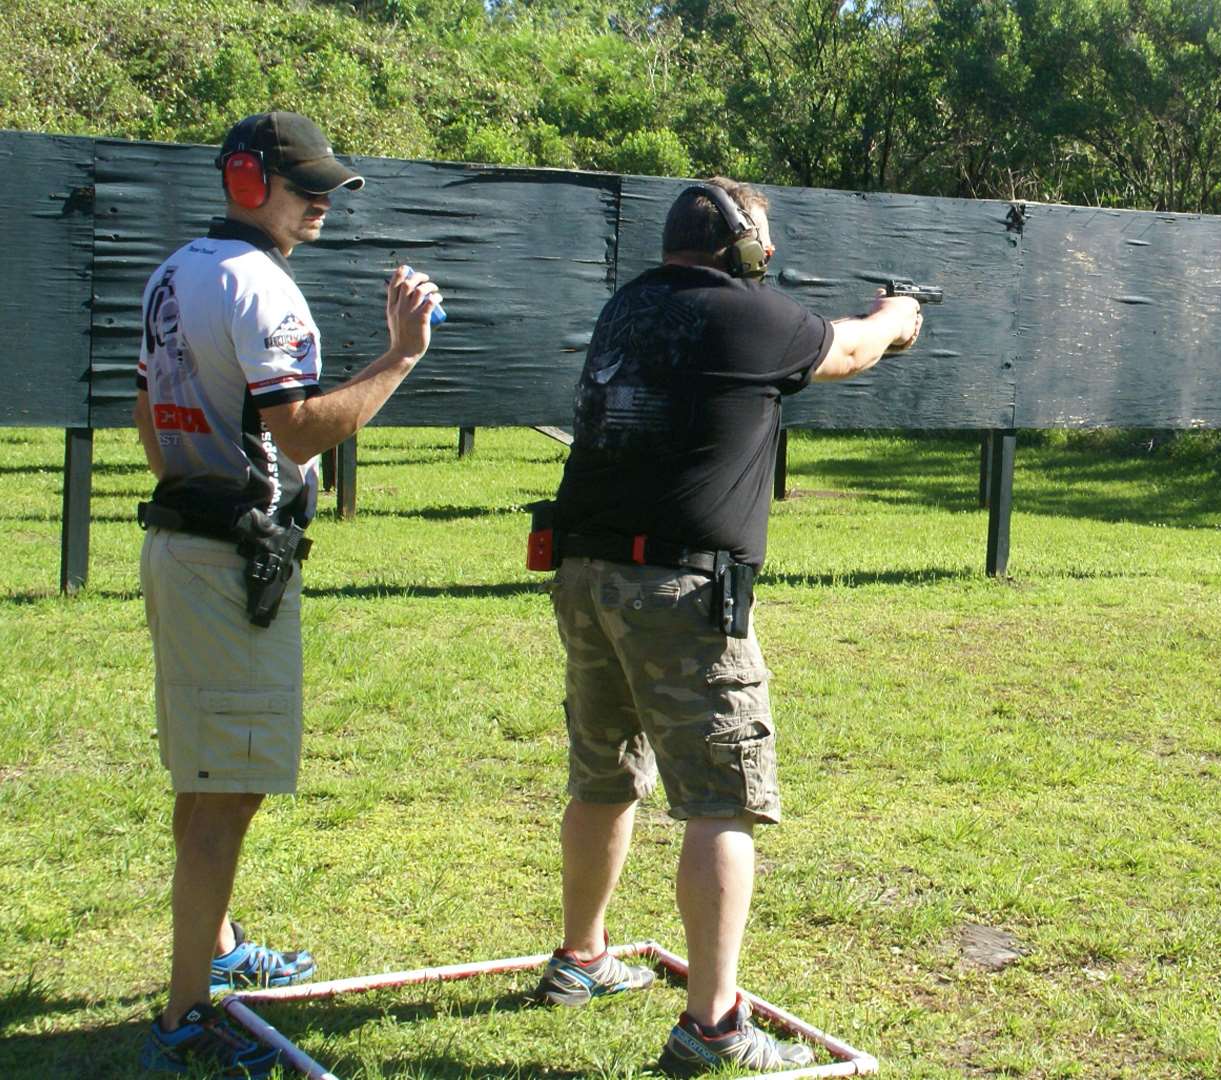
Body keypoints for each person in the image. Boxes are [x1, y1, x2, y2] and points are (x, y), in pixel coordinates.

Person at [535, 177, 922, 1075]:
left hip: (588, 570)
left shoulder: (628, 307)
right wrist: (899, 316)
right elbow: (856, 350)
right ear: (745, 248)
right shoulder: (749, 317)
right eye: (766, 245)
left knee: (602, 775)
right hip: (677, 588)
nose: (772, 258)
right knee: (722, 800)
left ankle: (581, 957)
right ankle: (713, 1026)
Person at [132, 111, 441, 1077]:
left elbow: (149, 412)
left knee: (207, 773)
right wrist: (399, 357)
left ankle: (217, 955)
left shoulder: (173, 269)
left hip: (184, 544)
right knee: (229, 788)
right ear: (246, 178)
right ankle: (191, 1014)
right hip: (233, 561)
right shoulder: (267, 292)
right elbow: (303, 433)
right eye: (307, 187)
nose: (321, 205)